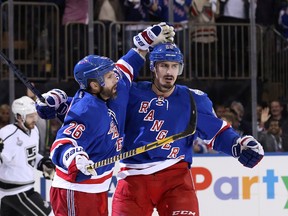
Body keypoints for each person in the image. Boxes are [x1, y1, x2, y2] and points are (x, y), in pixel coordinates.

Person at [38, 42, 264, 216]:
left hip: (175, 178)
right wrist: (59, 103)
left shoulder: (193, 99)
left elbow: (218, 133)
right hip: (133, 179)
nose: (169, 71)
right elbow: (92, 107)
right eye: (164, 65)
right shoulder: (130, 93)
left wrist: (238, 145)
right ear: (153, 68)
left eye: (174, 66)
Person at [35, 23, 175, 216]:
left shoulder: (115, 90)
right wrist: (76, 158)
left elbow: (126, 67)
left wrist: (143, 45)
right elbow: (62, 144)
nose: (115, 78)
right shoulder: (86, 110)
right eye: (110, 76)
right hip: (75, 190)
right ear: (94, 85)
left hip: (99, 188)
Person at [0, 96, 55, 216]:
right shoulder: (7, 135)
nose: (35, 119)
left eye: (35, 115)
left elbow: (31, 156)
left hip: (25, 188)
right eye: (30, 116)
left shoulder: (34, 131)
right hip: (15, 192)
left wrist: (42, 163)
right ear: (19, 117)